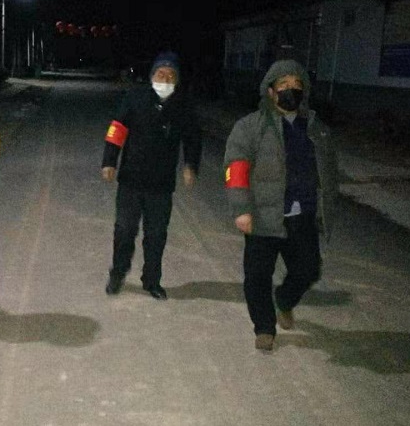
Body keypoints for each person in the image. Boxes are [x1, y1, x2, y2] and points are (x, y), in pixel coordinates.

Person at [223, 59, 338, 351]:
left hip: (302, 214)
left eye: (297, 85)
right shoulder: (250, 127)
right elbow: (236, 168)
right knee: (257, 276)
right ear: (271, 91)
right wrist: (241, 209)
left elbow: (328, 173)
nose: (291, 90)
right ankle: (264, 328)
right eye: (284, 85)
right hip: (262, 215)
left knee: (308, 269)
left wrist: (325, 209)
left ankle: (284, 300)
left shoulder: (316, 129)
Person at [101, 51, 203, 300]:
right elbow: (117, 129)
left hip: (161, 184)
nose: (165, 79)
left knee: (156, 235)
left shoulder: (183, 105)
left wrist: (190, 165)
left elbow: (192, 138)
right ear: (152, 76)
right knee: (124, 230)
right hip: (131, 180)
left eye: (171, 75)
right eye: (160, 73)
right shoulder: (135, 98)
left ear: (177, 80)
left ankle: (151, 280)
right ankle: (118, 273)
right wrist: (109, 161)